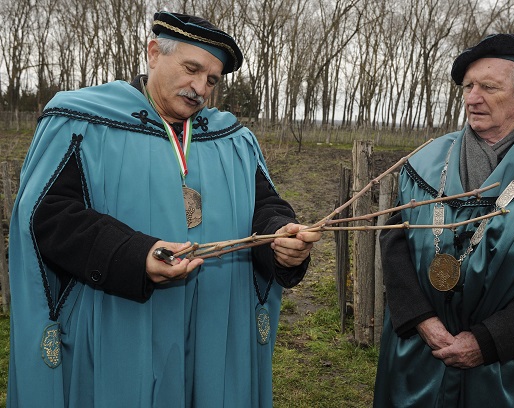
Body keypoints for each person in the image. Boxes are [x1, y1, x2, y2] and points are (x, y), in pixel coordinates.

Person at [8, 11, 320, 407]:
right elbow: (49, 216)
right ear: (154, 52)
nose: (200, 88)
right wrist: (136, 255)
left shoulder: (233, 139)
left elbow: (265, 207)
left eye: (211, 79)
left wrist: (281, 237)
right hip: (117, 325)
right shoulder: (82, 123)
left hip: (214, 330)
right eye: (192, 69)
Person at [374, 33, 514, 407]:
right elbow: (395, 241)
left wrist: (488, 341)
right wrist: (422, 320)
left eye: (488, 87)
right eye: (468, 86)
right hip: (422, 354)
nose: (471, 98)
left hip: (511, 368)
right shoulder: (424, 163)